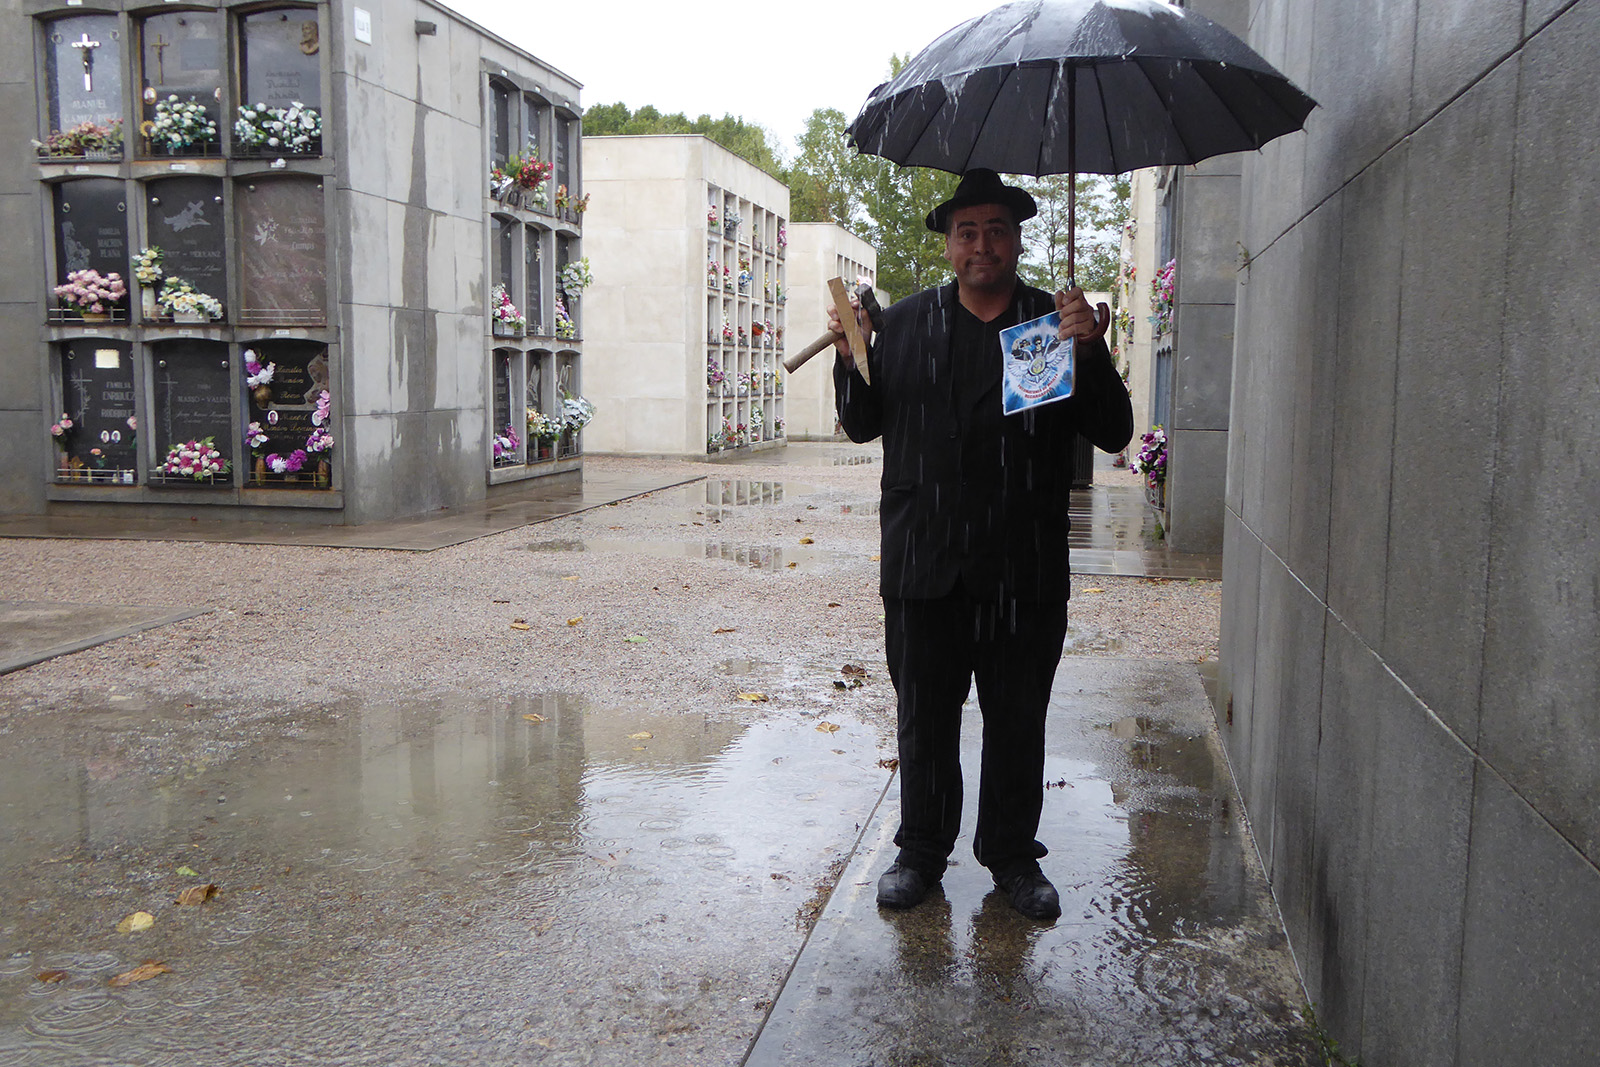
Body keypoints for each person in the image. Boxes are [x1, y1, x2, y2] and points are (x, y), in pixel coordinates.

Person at [829, 168, 1134, 920]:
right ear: (948, 246)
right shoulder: (901, 325)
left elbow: (1115, 431)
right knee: (924, 716)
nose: (981, 244)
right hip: (923, 563)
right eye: (967, 231)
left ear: (1017, 239)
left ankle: (1011, 857)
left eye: (996, 229)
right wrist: (851, 354)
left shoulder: (1054, 325)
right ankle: (921, 851)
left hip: (1021, 568)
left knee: (1017, 716)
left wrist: (1090, 352)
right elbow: (865, 422)